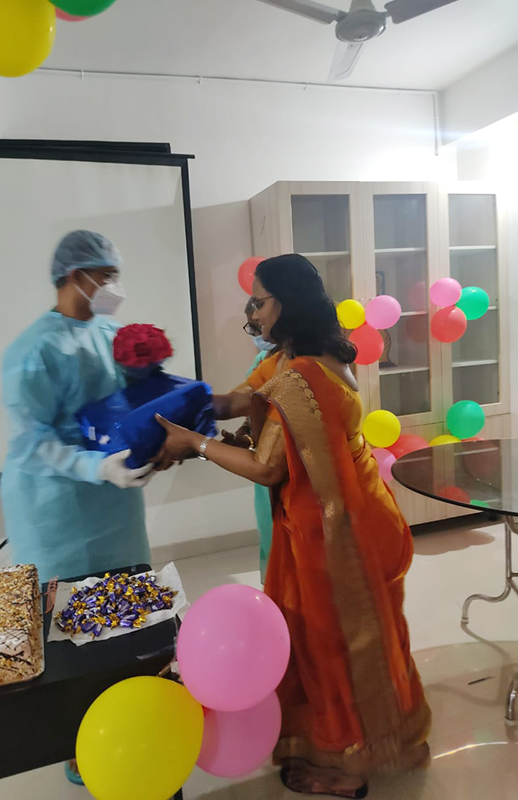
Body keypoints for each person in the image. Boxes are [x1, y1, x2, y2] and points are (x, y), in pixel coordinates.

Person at [154, 254, 431, 797]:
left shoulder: (302, 377)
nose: (251, 313)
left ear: (286, 302)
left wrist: (197, 444)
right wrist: (166, 403)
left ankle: (349, 766)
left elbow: (268, 467)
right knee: (367, 637)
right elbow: (238, 401)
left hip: (336, 531)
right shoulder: (297, 356)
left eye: (258, 302)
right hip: (353, 513)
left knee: (333, 644)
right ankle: (390, 738)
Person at [0, 230, 153, 583]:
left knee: (128, 598)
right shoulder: (33, 350)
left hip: (116, 507)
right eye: (107, 276)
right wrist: (96, 467)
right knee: (65, 607)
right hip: (56, 511)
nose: (115, 286)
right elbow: (30, 441)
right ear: (75, 276)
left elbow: (133, 403)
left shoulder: (113, 334)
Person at [221, 299, 276, 583]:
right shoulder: (261, 361)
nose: (257, 334)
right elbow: (251, 411)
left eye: (259, 325)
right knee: (269, 533)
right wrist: (246, 434)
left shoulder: (303, 364)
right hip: (263, 468)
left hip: (288, 471)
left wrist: (197, 442)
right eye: (251, 328)